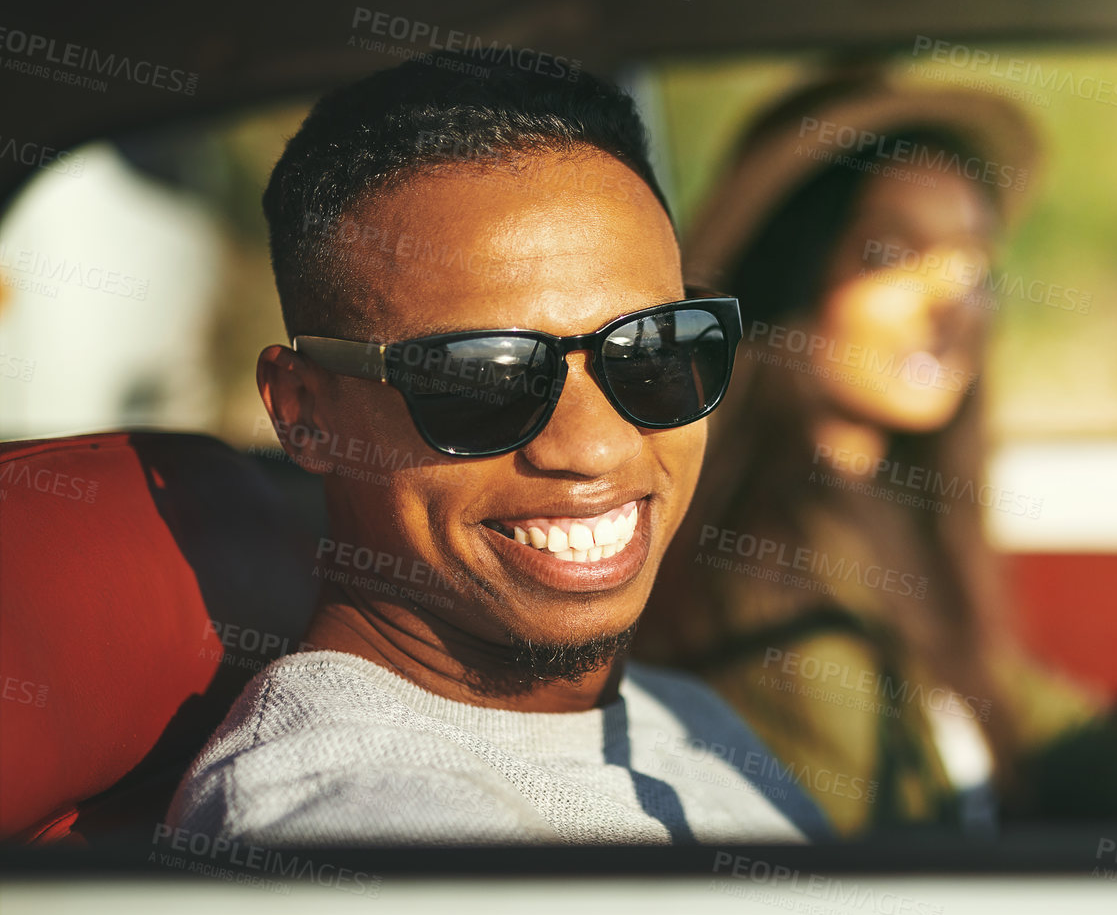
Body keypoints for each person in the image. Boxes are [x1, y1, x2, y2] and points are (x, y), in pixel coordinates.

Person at [166, 55, 830, 846]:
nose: (593, 445)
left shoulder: (686, 716)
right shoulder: (358, 824)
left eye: (651, 351)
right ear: (304, 412)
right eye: (483, 378)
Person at [637, 71, 1114, 833]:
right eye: (890, 253)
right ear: (787, 273)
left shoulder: (889, 509)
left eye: (976, 263)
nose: (954, 300)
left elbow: (1019, 707)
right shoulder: (760, 581)